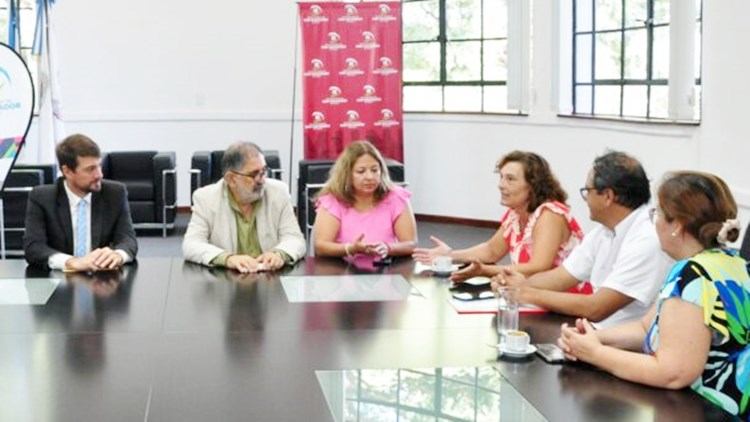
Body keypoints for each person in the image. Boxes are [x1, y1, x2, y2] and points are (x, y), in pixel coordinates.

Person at [558, 171, 749, 419]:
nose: (654, 221)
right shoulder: (731, 263)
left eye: (657, 213)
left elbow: (673, 372)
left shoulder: (693, 274)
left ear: (677, 225)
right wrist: (594, 339)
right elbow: (645, 327)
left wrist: (596, 354)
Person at [493, 151, 672, 328]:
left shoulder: (647, 239)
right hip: (599, 333)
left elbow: (596, 308)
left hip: (628, 344)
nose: (585, 199)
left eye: (587, 191)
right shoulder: (602, 232)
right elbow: (561, 277)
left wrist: (523, 293)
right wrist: (513, 285)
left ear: (608, 196)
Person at [413, 151, 584, 283]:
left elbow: (538, 268)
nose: (501, 185)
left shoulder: (550, 214)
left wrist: (486, 271)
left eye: (510, 179)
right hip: (531, 293)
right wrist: (449, 256)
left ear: (533, 185)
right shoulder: (515, 212)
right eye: (501, 177)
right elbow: (491, 250)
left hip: (562, 302)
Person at [182, 142, 306, 272]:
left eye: (264, 171)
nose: (262, 180)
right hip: (226, 282)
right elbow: (191, 245)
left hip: (270, 279)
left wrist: (279, 253)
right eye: (254, 174)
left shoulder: (278, 192)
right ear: (231, 179)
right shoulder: (205, 198)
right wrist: (227, 258)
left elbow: (295, 239)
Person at [23, 134, 138, 271]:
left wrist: (118, 255)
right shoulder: (42, 197)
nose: (99, 175)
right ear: (67, 171)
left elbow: (128, 239)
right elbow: (33, 247)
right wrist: (72, 262)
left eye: (99, 166)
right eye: (90, 169)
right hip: (59, 282)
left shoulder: (114, 193)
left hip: (104, 279)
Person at [313, 140, 416, 260]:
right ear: (347, 174)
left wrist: (388, 248)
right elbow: (321, 247)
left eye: (374, 170)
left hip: (386, 270)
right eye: (361, 171)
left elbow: (410, 244)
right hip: (343, 271)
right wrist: (350, 249)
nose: (370, 177)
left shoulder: (396, 197)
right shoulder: (332, 201)